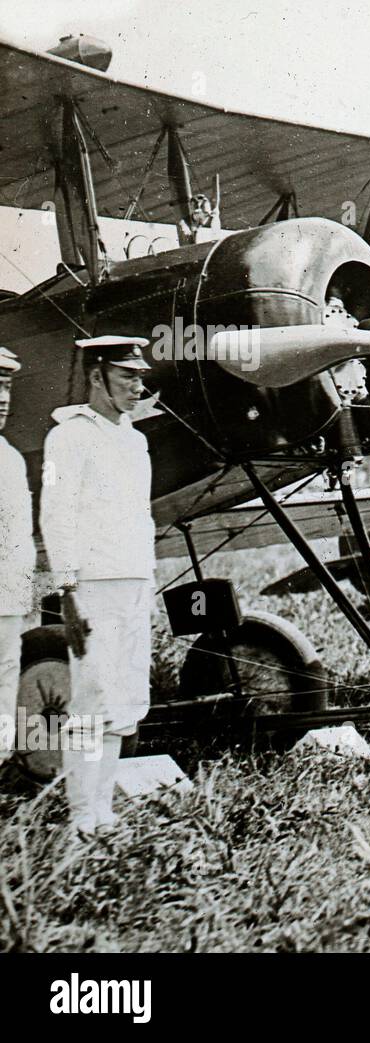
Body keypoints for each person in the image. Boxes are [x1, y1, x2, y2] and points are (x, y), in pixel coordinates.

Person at [40, 335, 155, 836]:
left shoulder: (134, 438)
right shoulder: (68, 436)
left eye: (140, 375)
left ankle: (104, 814)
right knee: (92, 702)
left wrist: (145, 585)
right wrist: (68, 592)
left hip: (132, 581)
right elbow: (56, 517)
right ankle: (82, 815)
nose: (138, 384)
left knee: (125, 700)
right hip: (93, 585)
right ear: (96, 376)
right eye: (127, 375)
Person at [0, 346, 34, 768]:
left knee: (4, 681)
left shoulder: (9, 459)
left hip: (7, 601)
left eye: (6, 385)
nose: (2, 396)